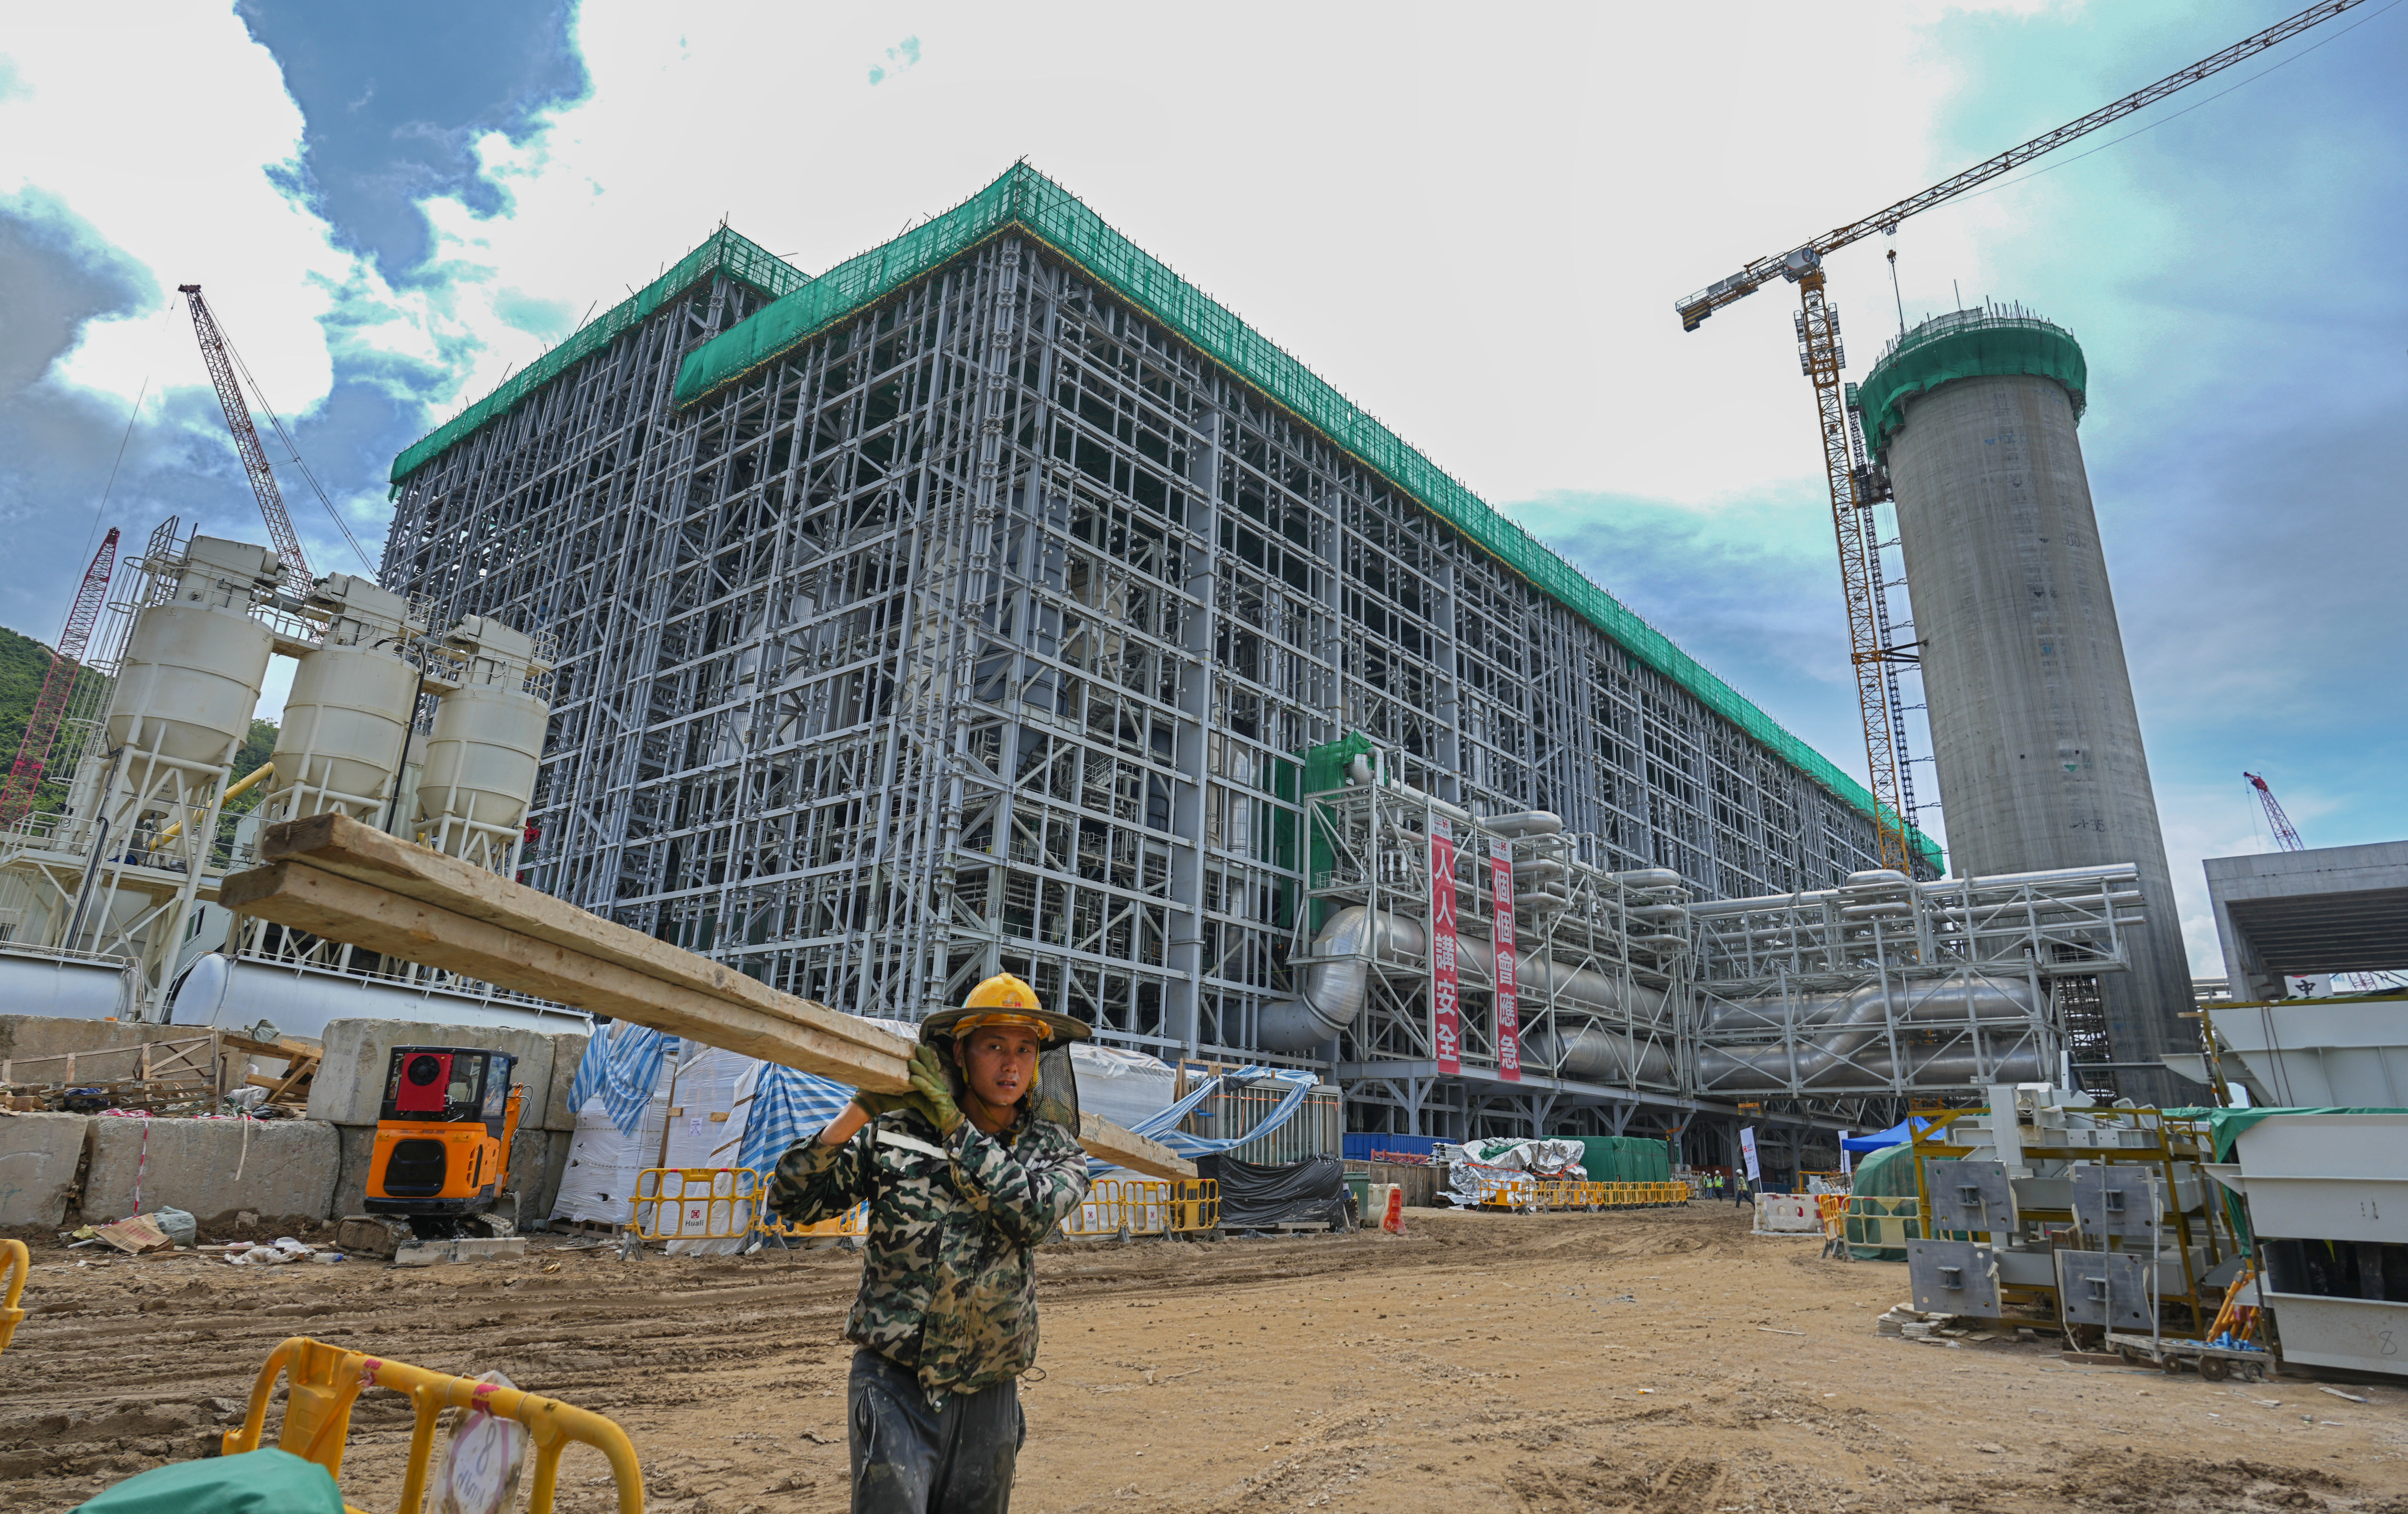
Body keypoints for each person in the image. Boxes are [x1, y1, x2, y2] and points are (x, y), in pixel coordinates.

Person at [765, 973, 1093, 1514]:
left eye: (1025, 1049)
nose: (1011, 1065)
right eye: (994, 1047)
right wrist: (860, 1112)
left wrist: (953, 1124)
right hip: (894, 1379)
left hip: (989, 1389)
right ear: (961, 1053)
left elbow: (1032, 1215)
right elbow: (792, 1201)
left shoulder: (1054, 1151)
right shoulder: (897, 1133)